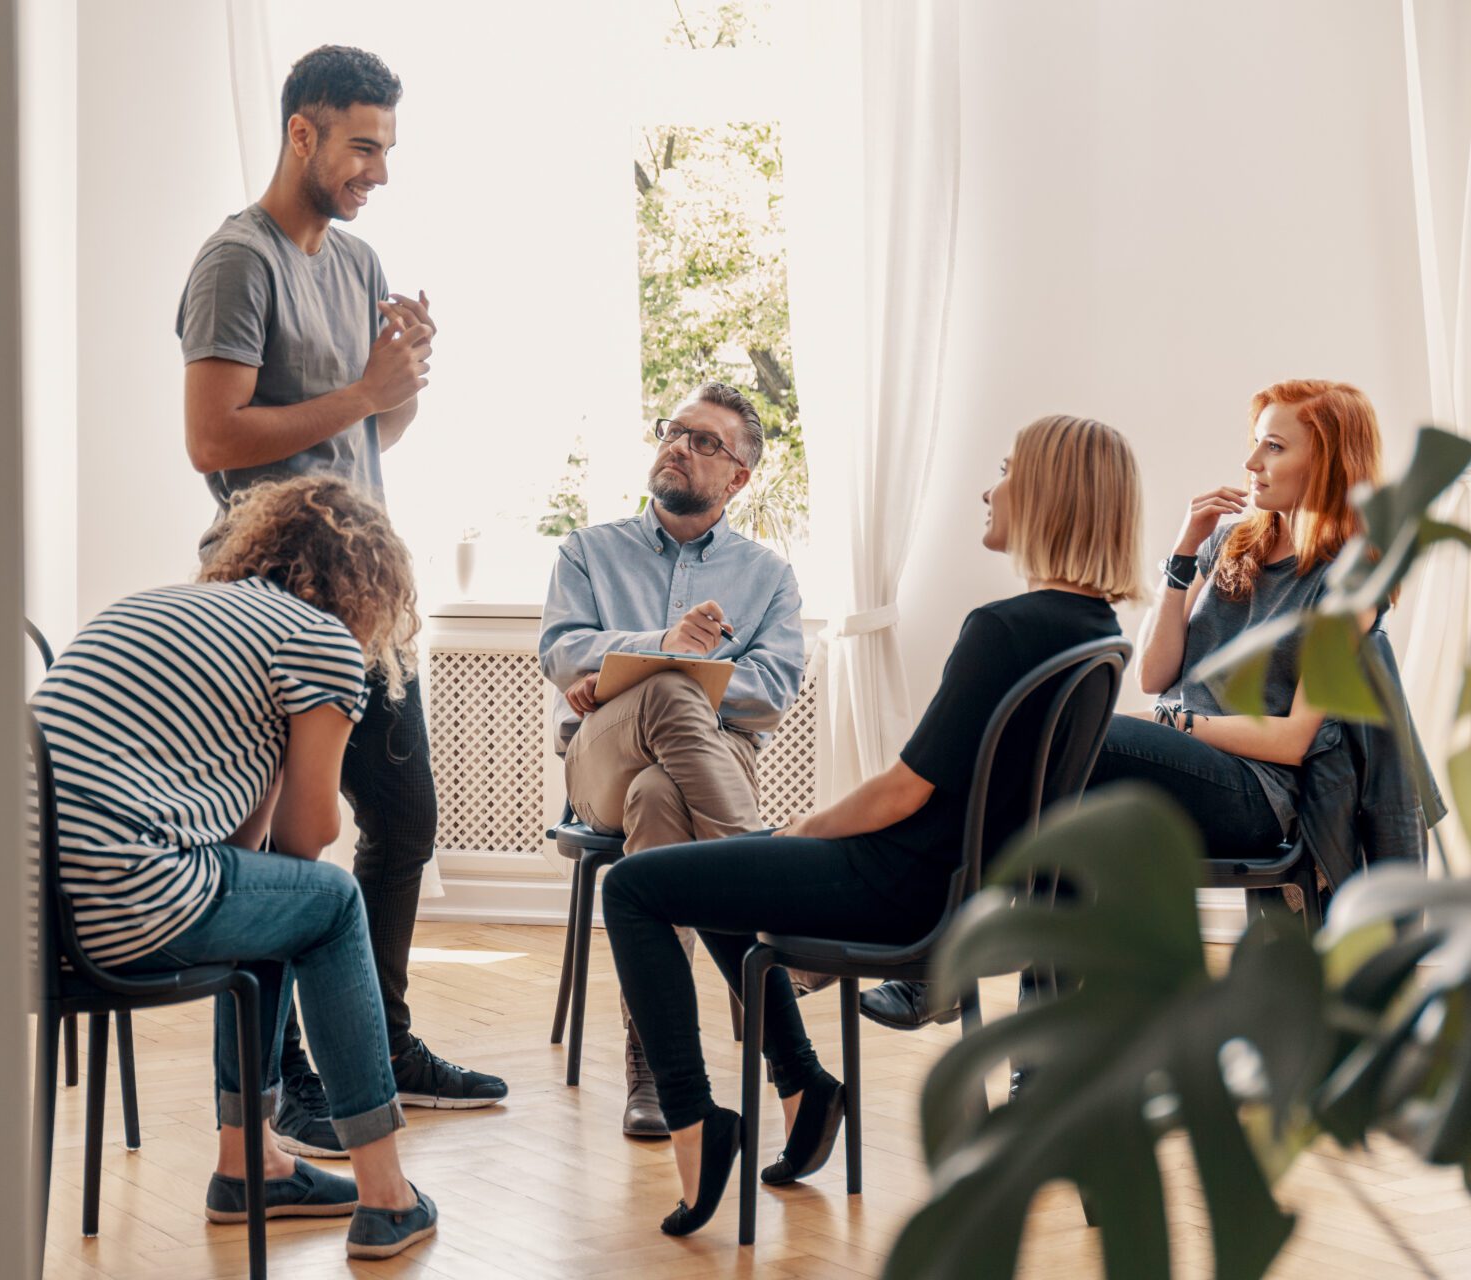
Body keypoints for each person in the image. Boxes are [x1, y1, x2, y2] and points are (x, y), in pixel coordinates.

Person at [600, 416, 1143, 1235]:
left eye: (1004, 470)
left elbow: (901, 793)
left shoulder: (1003, 628)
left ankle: (694, 1120)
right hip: (969, 894)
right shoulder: (1096, 632)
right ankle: (804, 1082)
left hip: (900, 889)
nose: (989, 488)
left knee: (635, 886)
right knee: (718, 875)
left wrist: (801, 833)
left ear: (1049, 495)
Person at [175, 44, 507, 1159]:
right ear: (302, 133)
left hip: (366, 595)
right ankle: (289, 1085)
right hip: (269, 600)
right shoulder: (238, 261)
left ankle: (385, 1042)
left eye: (387, 147)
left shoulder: (360, 259)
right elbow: (212, 439)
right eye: (363, 144)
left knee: (404, 821)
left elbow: (363, 436)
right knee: (283, 852)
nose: (378, 169)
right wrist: (361, 389)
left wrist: (396, 384)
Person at [865, 380, 1385, 1037]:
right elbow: (1156, 671)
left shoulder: (1353, 578)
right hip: (1177, 774)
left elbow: (1293, 740)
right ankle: (1041, 1063)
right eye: (1254, 446)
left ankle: (936, 960)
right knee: (1067, 814)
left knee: (1062, 738)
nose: (1251, 464)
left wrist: (1170, 723)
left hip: (1256, 794)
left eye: (1274, 448)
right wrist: (1181, 558)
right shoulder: (1233, 543)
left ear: (1331, 463)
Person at [31, 476, 437, 1260]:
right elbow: (311, 834)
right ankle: (387, 1195)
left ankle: (249, 1164)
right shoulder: (318, 641)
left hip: (23, 909)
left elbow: (253, 858)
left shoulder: (147, 606)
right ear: (366, 583)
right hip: (121, 896)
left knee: (279, 895)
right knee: (333, 901)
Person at [538, 382, 805, 1137]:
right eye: (675, 431)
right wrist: (667, 652)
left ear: (738, 478)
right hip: (599, 760)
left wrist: (650, 677)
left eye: (705, 442)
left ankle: (656, 1066)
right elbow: (560, 652)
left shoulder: (768, 576)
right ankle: (775, 910)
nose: (679, 446)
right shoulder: (588, 550)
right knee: (665, 698)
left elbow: (772, 695)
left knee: (660, 796)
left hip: (707, 764)